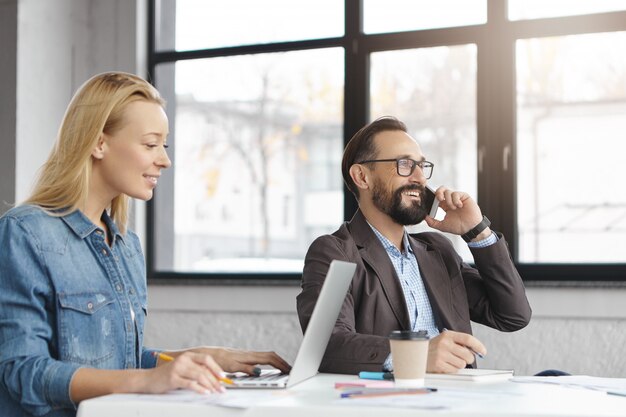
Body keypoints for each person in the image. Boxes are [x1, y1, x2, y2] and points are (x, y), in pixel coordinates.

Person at [0, 72, 291, 417]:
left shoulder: (126, 244)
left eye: (163, 146)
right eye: (151, 144)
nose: (164, 160)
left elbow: (114, 360)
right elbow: (21, 372)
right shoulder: (25, 233)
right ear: (98, 143)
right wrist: (148, 380)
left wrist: (194, 358)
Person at [296, 116, 531, 375]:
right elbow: (326, 346)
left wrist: (477, 231)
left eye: (421, 166)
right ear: (362, 177)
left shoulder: (437, 250)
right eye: (405, 164)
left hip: (460, 398)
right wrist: (414, 356)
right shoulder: (335, 252)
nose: (420, 177)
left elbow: (512, 315)